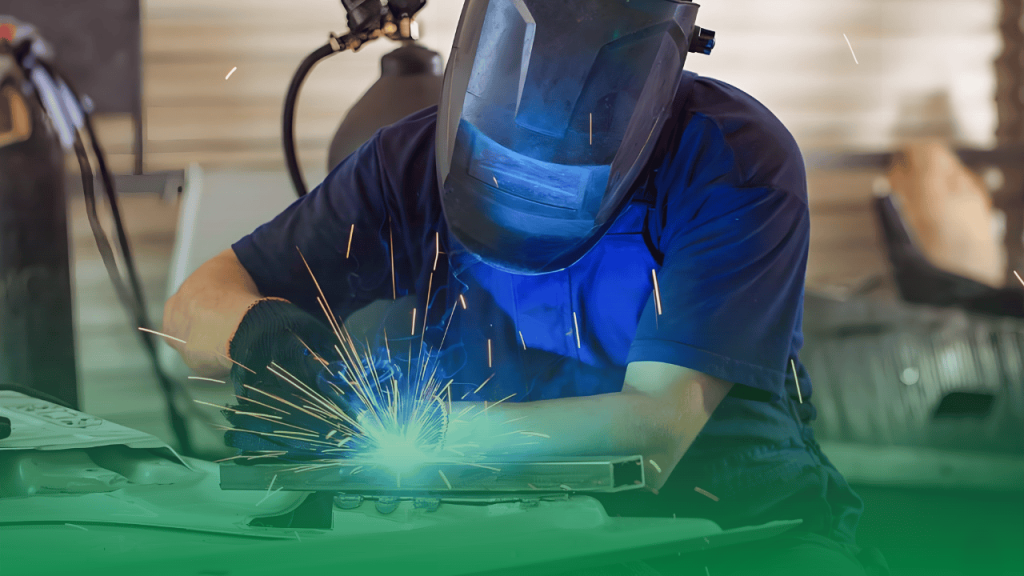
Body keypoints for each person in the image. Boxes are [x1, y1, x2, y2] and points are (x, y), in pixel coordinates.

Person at [163, 2, 888, 574]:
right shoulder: (408, 163)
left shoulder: (732, 161)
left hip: (737, 530)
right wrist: (260, 333)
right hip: (501, 531)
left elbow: (655, 428)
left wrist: (432, 434)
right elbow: (193, 305)